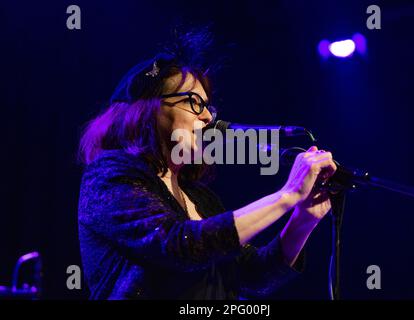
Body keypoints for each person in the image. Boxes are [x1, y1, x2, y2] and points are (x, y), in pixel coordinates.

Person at [77, 35, 337, 300]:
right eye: (194, 102)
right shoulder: (108, 176)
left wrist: (303, 217)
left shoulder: (199, 197)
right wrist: (288, 195)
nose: (207, 116)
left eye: (207, 106)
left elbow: (252, 277)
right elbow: (181, 246)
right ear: (149, 109)